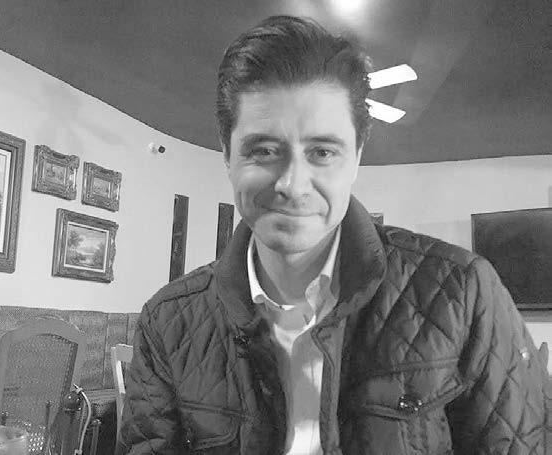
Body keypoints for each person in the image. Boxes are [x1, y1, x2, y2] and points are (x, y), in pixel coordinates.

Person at [117, 15, 547, 455]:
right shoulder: (166, 324)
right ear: (228, 154)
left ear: (356, 156)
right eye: (264, 150)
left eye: (322, 152)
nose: (292, 184)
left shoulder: (465, 293)